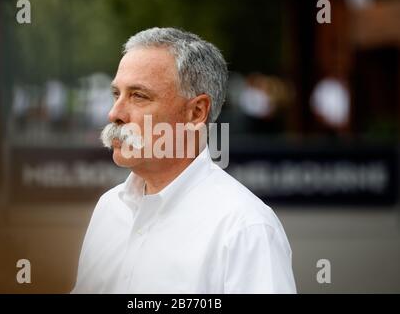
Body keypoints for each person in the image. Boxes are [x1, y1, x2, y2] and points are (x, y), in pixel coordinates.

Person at [71, 27, 296, 293]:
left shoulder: (245, 228)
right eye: (116, 94)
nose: (114, 113)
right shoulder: (109, 208)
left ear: (196, 112)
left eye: (138, 96)